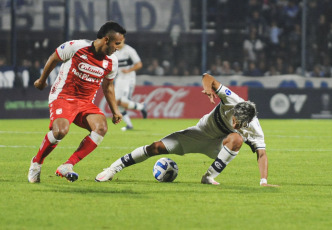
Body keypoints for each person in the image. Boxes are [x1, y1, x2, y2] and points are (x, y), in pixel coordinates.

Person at [95, 73, 278, 187]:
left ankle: (208, 177)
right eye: (235, 120)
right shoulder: (233, 100)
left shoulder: (255, 128)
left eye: (240, 124)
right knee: (155, 148)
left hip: (218, 145)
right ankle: (112, 169)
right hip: (198, 134)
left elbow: (262, 154)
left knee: (236, 139)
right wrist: (208, 89)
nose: (236, 124)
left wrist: (264, 181)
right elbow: (208, 77)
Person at [28, 21, 126, 183]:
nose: (118, 47)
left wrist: (115, 110)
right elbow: (54, 58)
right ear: (106, 40)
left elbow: (108, 86)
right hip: (63, 96)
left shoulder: (112, 62)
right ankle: (36, 163)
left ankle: (67, 165)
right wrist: (41, 80)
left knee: (101, 127)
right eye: (117, 43)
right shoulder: (76, 47)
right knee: (60, 131)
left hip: (85, 102)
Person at [114, 38, 147, 131]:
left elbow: (139, 64)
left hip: (129, 78)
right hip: (119, 79)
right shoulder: (114, 51)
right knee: (116, 103)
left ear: (123, 39)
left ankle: (141, 107)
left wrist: (128, 70)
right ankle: (129, 125)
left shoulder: (129, 50)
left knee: (123, 100)